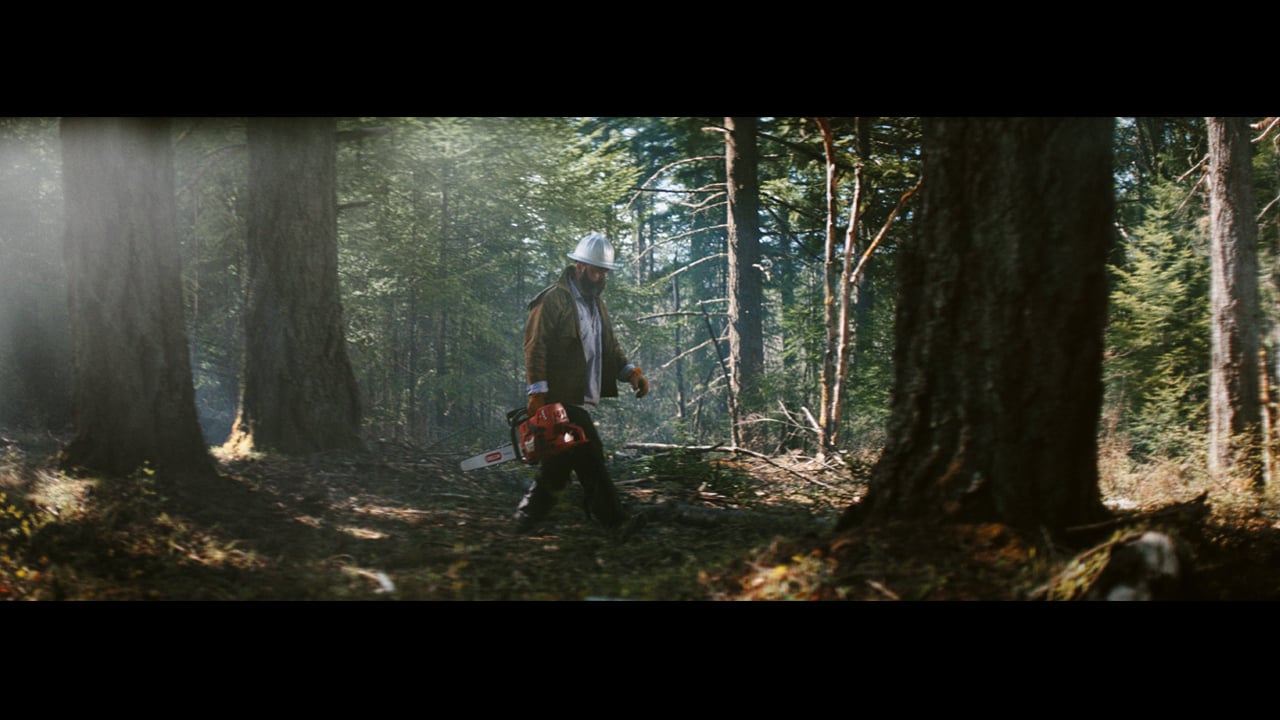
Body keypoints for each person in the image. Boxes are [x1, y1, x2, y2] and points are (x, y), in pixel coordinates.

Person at [513, 233, 650, 534]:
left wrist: (630, 374)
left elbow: (610, 349)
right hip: (557, 399)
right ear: (578, 265)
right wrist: (537, 393)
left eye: (604, 271)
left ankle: (523, 522)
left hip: (577, 398)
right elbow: (535, 346)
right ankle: (615, 521)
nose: (601, 276)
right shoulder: (553, 300)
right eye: (595, 269)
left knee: (558, 470)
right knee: (591, 455)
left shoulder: (596, 305)